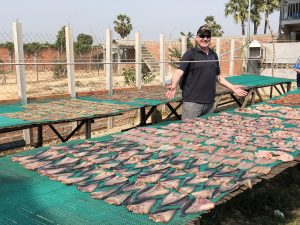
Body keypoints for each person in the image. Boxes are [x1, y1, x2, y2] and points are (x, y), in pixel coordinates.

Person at [166, 24, 248, 120]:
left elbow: (217, 76)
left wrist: (232, 87)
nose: (205, 39)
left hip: (209, 103)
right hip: (192, 103)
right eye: (202, 36)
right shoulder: (190, 54)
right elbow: (179, 71)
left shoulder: (213, 55)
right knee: (189, 133)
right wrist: (174, 84)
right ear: (197, 37)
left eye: (207, 36)